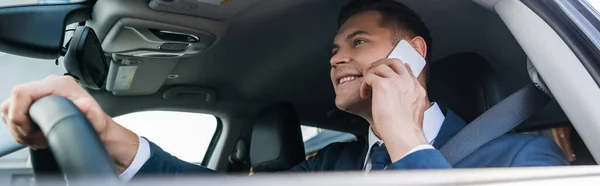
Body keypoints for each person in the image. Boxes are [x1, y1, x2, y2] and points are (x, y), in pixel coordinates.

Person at [1, 0, 568, 182]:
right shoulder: (337, 164)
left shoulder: (524, 159)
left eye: (359, 42)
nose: (338, 57)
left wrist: (404, 139)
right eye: (333, 51)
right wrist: (106, 131)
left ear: (412, 53)